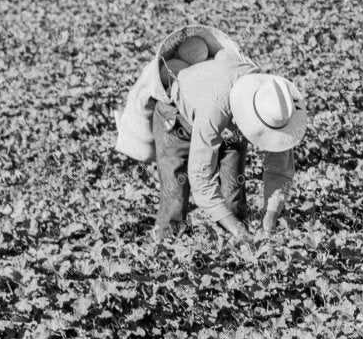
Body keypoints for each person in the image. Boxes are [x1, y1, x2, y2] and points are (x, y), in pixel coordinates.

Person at [113, 24, 308, 243]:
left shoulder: (276, 106)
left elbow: (279, 171)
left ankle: (235, 252)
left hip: (227, 123)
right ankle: (166, 250)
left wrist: (270, 216)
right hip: (178, 122)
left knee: (233, 195)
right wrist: (237, 229)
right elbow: (200, 179)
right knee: (175, 196)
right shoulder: (214, 107)